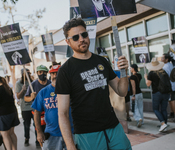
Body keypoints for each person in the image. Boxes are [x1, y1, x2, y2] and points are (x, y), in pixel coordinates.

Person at [55, 18, 131, 150]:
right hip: (87, 134)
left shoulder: (102, 61)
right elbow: (63, 113)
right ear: (68, 41)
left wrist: (124, 72)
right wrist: (70, 146)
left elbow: (122, 91)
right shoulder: (65, 71)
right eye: (75, 37)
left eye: (84, 34)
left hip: (113, 128)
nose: (81, 39)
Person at [32, 65, 74, 149]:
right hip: (52, 134)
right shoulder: (43, 92)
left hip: (71, 132)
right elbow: (36, 112)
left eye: (57, 73)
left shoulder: (72, 89)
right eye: (52, 73)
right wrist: (39, 132)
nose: (55, 76)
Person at [24, 65, 51, 148]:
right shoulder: (33, 85)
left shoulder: (50, 84)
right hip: (38, 112)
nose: (42, 74)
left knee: (49, 130)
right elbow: (26, 98)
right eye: (40, 72)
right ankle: (40, 145)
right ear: (37, 73)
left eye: (43, 72)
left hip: (49, 111)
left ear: (46, 73)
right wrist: (31, 97)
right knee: (39, 130)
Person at [0, 76, 20, 150]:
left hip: (3, 114)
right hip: (12, 112)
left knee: (5, 135)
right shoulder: (7, 88)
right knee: (11, 133)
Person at [144, 58, 169, 132]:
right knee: (164, 109)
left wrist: (146, 78)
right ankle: (165, 124)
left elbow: (148, 84)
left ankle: (163, 123)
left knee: (155, 109)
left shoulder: (151, 73)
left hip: (157, 93)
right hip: (165, 93)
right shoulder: (164, 72)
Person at [15, 68, 33, 146]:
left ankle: (38, 140)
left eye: (29, 73)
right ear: (22, 74)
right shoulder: (19, 83)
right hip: (25, 107)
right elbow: (18, 96)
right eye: (26, 73)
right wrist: (22, 90)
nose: (28, 74)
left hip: (34, 106)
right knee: (26, 124)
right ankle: (27, 138)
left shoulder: (33, 82)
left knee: (37, 124)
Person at [161, 53, 175, 122]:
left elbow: (164, 77)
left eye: (163, 58)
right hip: (173, 85)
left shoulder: (165, 67)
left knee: (172, 100)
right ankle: (172, 113)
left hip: (170, 86)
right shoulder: (171, 64)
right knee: (170, 99)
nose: (161, 59)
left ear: (166, 59)